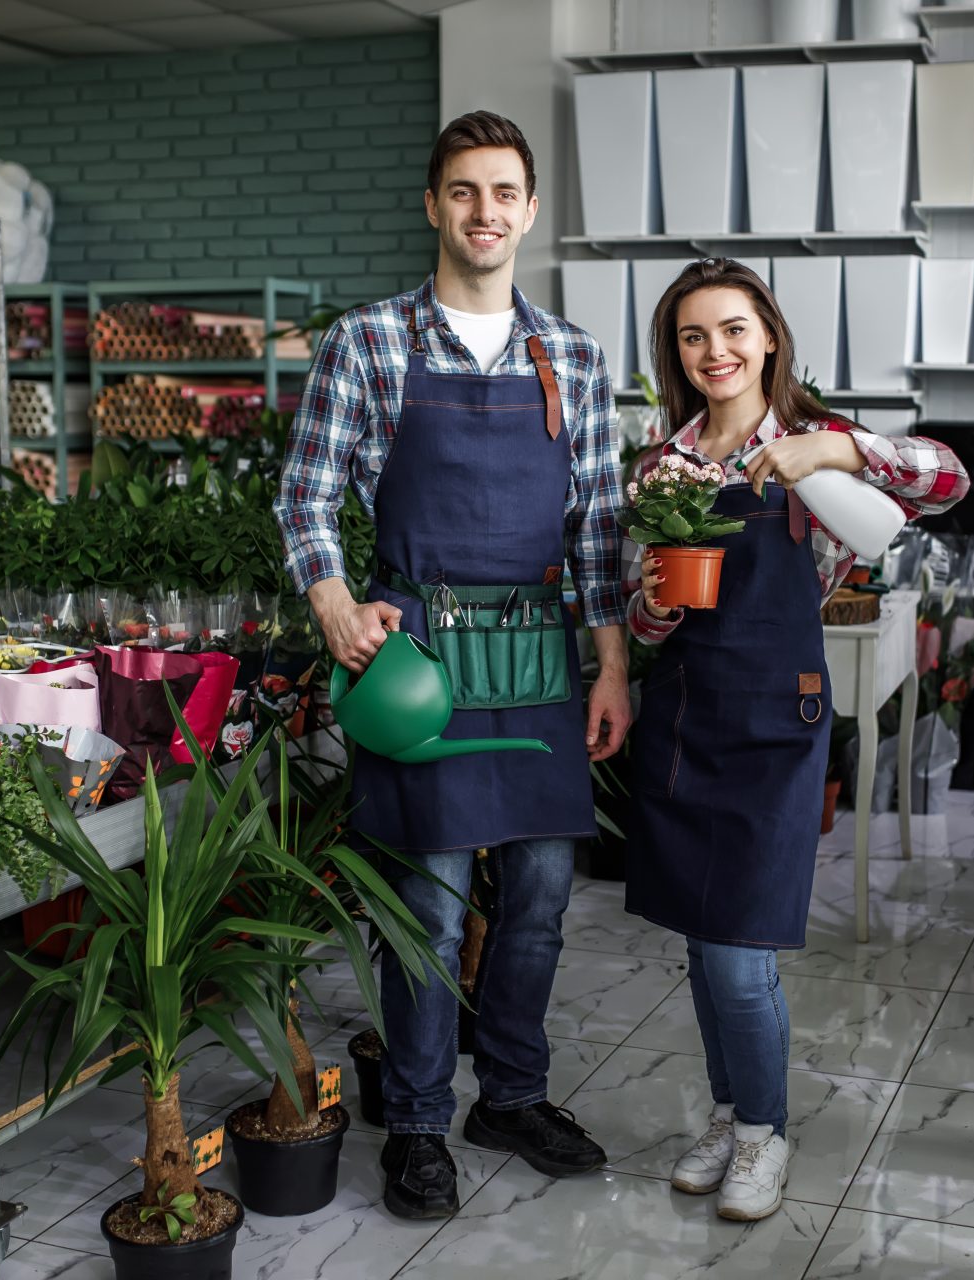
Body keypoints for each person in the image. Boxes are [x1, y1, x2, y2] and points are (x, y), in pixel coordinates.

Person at [278, 111, 632, 1221]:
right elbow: (305, 493)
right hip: (419, 655)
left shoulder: (570, 355)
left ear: (530, 210)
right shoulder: (372, 340)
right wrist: (335, 603)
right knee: (427, 910)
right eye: (464, 192)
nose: (485, 212)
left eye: (505, 193)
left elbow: (601, 527)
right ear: (434, 205)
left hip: (537, 652)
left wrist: (612, 665)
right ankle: (422, 1118)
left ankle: (511, 1095)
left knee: (534, 899)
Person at [622, 258, 968, 1222]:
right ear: (676, 354)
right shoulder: (662, 465)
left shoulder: (815, 441)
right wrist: (650, 605)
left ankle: (767, 1134)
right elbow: (645, 617)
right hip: (687, 715)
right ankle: (729, 1118)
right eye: (694, 337)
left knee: (740, 956)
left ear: (768, 335)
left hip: (777, 721)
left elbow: (949, 477)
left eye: (733, 330)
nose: (715, 352)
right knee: (701, 946)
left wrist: (837, 457)